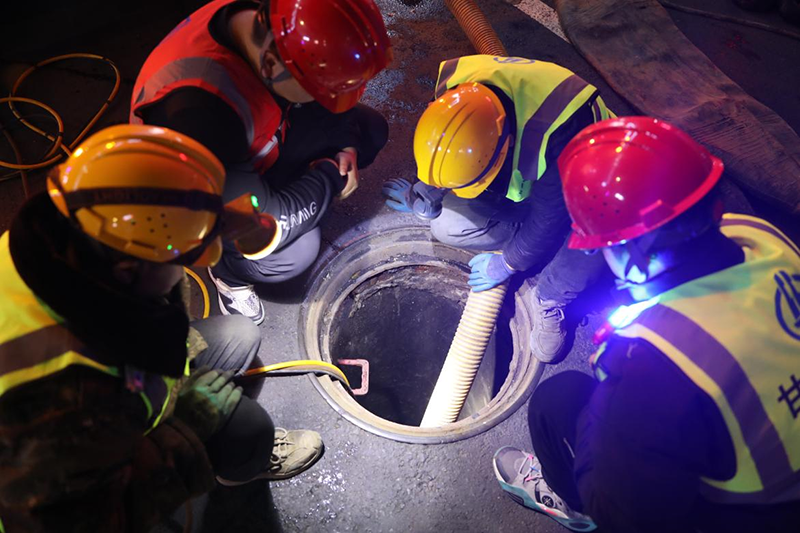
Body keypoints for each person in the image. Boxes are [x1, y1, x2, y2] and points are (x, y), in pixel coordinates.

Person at [0, 125, 323, 533]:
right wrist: (186, 429)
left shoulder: (60, 237)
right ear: (127, 271)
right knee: (249, 431)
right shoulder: (57, 399)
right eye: (181, 259)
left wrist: (210, 220)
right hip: (79, 478)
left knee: (241, 336)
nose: (190, 267)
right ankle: (232, 483)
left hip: (119, 384)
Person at [493, 117, 800, 532]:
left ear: (633, 255)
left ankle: (575, 509)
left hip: (748, 518)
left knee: (555, 402)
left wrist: (610, 406)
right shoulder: (761, 237)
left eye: (602, 248)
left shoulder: (650, 364)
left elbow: (626, 513)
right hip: (774, 467)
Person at [131, 0, 392, 323]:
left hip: (257, 140)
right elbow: (267, 225)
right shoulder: (198, 113)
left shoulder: (277, 25)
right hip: (206, 192)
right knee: (294, 251)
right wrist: (328, 176)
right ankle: (229, 274)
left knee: (368, 131)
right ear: (271, 64)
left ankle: (297, 187)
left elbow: (326, 105)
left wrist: (345, 143)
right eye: (321, 92)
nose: (327, 100)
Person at [383, 54, 614, 363]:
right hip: (534, 182)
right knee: (447, 225)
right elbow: (448, 144)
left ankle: (551, 295)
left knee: (599, 230)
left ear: (505, 146)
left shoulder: (559, 134)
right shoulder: (456, 92)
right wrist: (426, 189)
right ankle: (534, 246)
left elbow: (550, 217)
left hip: (591, 188)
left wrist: (507, 263)